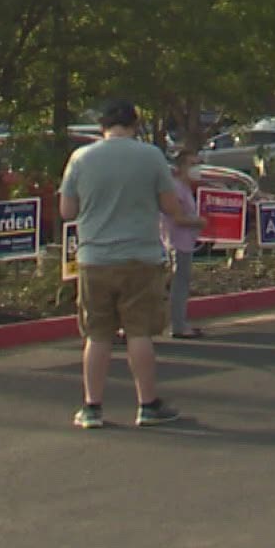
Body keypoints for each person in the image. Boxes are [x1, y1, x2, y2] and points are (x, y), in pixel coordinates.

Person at [59, 100, 197, 430]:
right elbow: (169, 205)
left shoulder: (81, 159)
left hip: (95, 258)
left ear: (102, 125)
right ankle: (147, 404)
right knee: (139, 333)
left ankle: (92, 407)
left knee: (97, 334)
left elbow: (67, 211)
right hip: (141, 256)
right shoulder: (150, 157)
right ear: (135, 124)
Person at [160, 147, 209, 339]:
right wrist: (200, 221)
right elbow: (177, 218)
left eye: (198, 164)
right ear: (180, 167)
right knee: (178, 284)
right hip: (176, 243)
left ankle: (179, 323)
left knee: (181, 283)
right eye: (192, 164)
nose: (196, 168)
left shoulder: (186, 188)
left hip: (185, 242)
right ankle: (178, 326)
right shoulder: (175, 188)